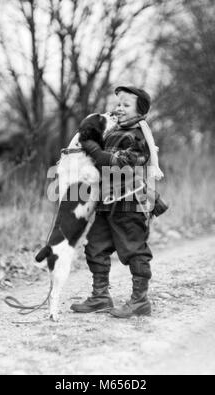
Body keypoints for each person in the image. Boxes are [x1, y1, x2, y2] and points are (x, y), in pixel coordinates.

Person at [71, 86, 164, 318]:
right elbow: (97, 163)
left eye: (125, 105)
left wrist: (92, 148)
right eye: (118, 104)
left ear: (140, 111)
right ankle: (100, 296)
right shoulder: (113, 132)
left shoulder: (140, 138)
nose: (119, 109)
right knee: (95, 247)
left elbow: (117, 164)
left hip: (130, 204)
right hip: (106, 203)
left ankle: (140, 301)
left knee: (134, 250)